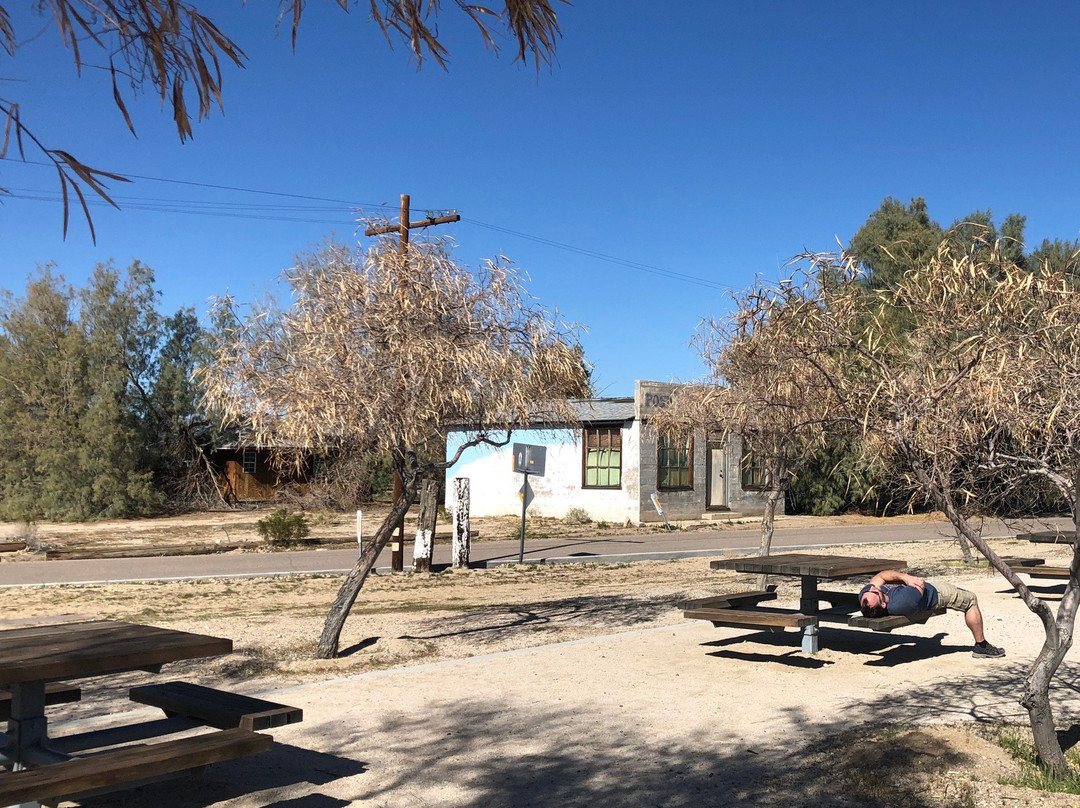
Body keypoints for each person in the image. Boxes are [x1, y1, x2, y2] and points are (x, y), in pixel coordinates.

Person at [859, 570, 1005, 659]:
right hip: (936, 594)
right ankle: (981, 645)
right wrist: (909, 580)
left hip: (920, 590)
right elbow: (920, 583)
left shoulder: (865, 597)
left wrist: (905, 577)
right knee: (971, 599)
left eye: (870, 590)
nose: (873, 588)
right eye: (875, 592)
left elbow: (882, 575)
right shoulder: (903, 601)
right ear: (883, 605)